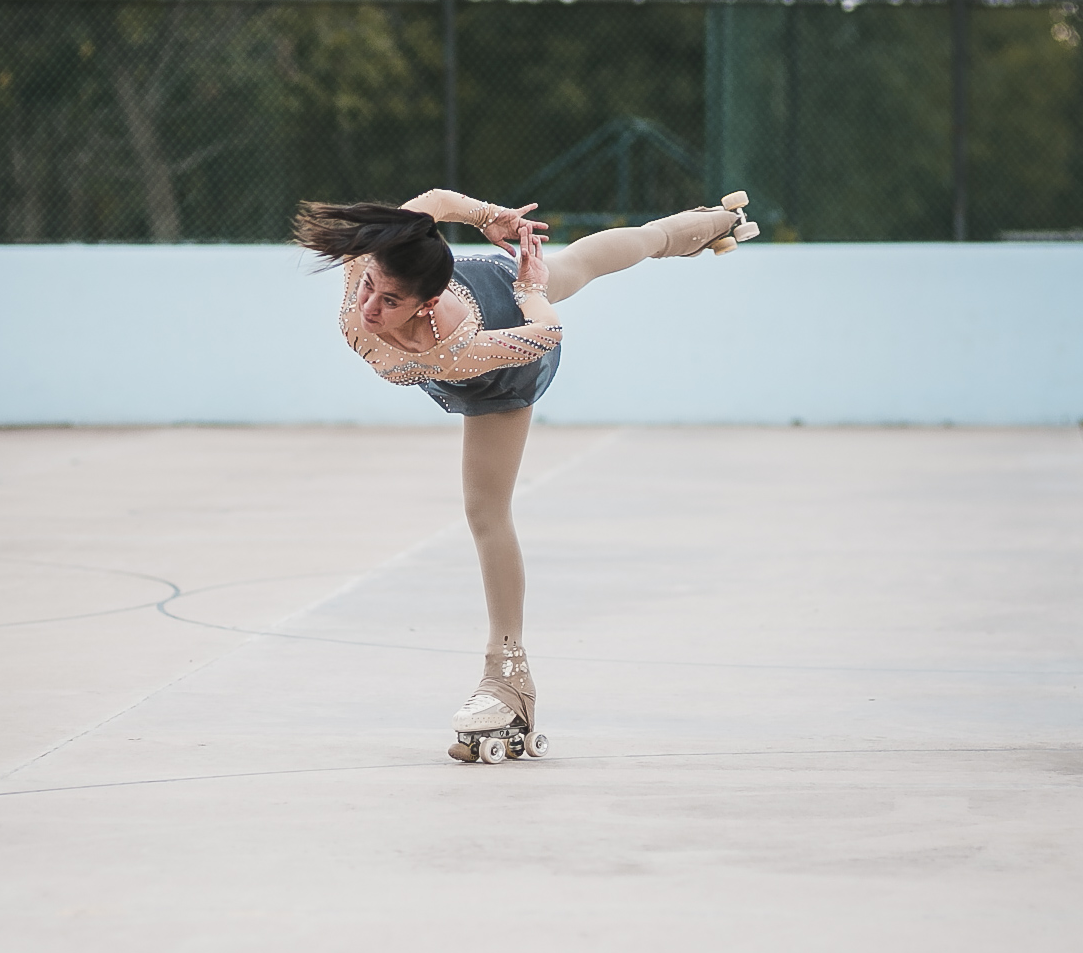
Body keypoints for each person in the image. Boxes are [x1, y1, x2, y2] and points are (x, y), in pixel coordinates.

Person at [293, 188, 756, 762]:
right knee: (577, 261)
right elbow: (433, 201)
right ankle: (707, 225)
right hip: (474, 278)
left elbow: (546, 334)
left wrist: (532, 290)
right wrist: (494, 218)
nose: (367, 309)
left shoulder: (457, 350)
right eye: (369, 288)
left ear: (425, 302)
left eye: (389, 301)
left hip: (508, 354)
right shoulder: (373, 265)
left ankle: (508, 674)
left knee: (485, 510)